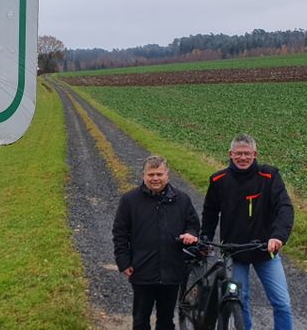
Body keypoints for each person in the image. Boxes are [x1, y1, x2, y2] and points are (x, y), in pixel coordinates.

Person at [200, 134, 295, 330]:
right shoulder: (218, 180)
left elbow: (284, 207)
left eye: (247, 154)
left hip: (265, 251)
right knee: (239, 300)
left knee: (282, 303)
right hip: (234, 252)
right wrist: (206, 239)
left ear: (255, 154)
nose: (243, 158)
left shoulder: (269, 176)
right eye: (238, 154)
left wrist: (278, 236)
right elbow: (210, 213)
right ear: (230, 154)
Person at [112, 156, 200, 330]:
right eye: (151, 174)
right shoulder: (130, 200)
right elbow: (120, 233)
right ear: (143, 175)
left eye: (159, 174)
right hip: (142, 269)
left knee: (166, 320)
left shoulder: (182, 199)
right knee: (140, 319)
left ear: (167, 174)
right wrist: (123, 262)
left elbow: (193, 224)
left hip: (172, 269)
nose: (155, 178)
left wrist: (190, 234)